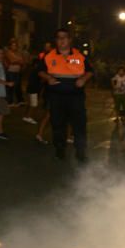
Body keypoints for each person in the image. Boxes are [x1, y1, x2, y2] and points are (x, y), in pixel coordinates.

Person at [39, 29, 93, 161]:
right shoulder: (49, 56)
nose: (62, 40)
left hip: (76, 96)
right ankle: (59, 149)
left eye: (64, 38)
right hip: (57, 96)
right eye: (59, 38)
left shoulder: (79, 56)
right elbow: (40, 71)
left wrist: (83, 79)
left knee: (79, 125)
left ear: (70, 40)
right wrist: (48, 78)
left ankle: (80, 151)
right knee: (58, 124)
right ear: (56, 41)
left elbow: (90, 71)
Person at [4, 39, 26, 107]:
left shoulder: (18, 53)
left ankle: (20, 101)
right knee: (10, 86)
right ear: (10, 46)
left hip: (17, 72)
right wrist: (18, 61)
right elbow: (11, 61)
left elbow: (23, 61)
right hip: (11, 71)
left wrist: (17, 61)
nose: (14, 47)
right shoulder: (8, 52)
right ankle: (9, 101)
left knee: (18, 86)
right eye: (13, 45)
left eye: (15, 45)